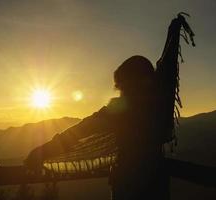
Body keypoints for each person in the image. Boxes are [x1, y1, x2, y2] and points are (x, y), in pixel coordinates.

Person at [25, 13, 195, 200]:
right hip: (156, 184)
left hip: (128, 184)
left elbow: (79, 132)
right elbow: (167, 72)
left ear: (127, 83)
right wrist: (173, 33)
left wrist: (42, 152)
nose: (119, 89)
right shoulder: (158, 107)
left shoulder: (120, 111)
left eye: (121, 84)